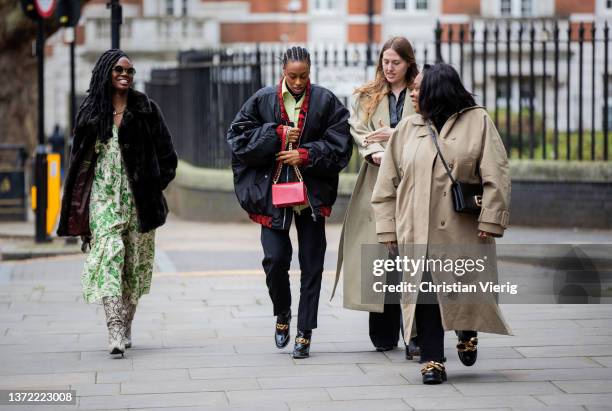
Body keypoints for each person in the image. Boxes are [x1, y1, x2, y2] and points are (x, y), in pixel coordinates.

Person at [371, 63, 512, 384]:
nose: (414, 94)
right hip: (417, 230)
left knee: (463, 290)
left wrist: (492, 219)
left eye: (421, 89)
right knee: (426, 294)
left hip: (464, 231)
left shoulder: (478, 122)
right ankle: (433, 360)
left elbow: (498, 174)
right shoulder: (407, 128)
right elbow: (386, 185)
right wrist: (387, 228)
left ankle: (467, 331)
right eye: (413, 89)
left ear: (441, 92)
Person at [227, 46, 352, 359]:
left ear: (311, 71)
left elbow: (341, 147)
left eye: (304, 76)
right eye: (292, 76)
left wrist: (306, 154)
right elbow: (238, 140)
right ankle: (282, 313)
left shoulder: (325, 101)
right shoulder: (262, 99)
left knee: (312, 266)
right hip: (273, 198)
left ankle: (304, 332)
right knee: (275, 261)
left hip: (311, 198)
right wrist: (277, 134)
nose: (298, 82)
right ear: (283, 71)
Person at [57, 49, 178, 357]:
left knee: (134, 267)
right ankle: (114, 327)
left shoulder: (147, 109)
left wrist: (153, 186)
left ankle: (125, 323)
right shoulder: (91, 112)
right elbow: (77, 163)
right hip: (103, 199)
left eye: (130, 71)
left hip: (140, 203)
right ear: (105, 73)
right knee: (109, 254)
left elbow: (168, 157)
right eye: (119, 70)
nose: (125, 74)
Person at [331, 37, 420, 358]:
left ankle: (416, 333)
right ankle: (383, 334)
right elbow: (359, 129)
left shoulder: (421, 91)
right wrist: (377, 151)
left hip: (415, 181)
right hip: (377, 180)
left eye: (396, 62)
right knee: (381, 258)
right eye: (385, 61)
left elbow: (432, 129)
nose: (390, 68)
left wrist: (394, 137)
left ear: (409, 62)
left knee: (413, 256)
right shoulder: (367, 95)